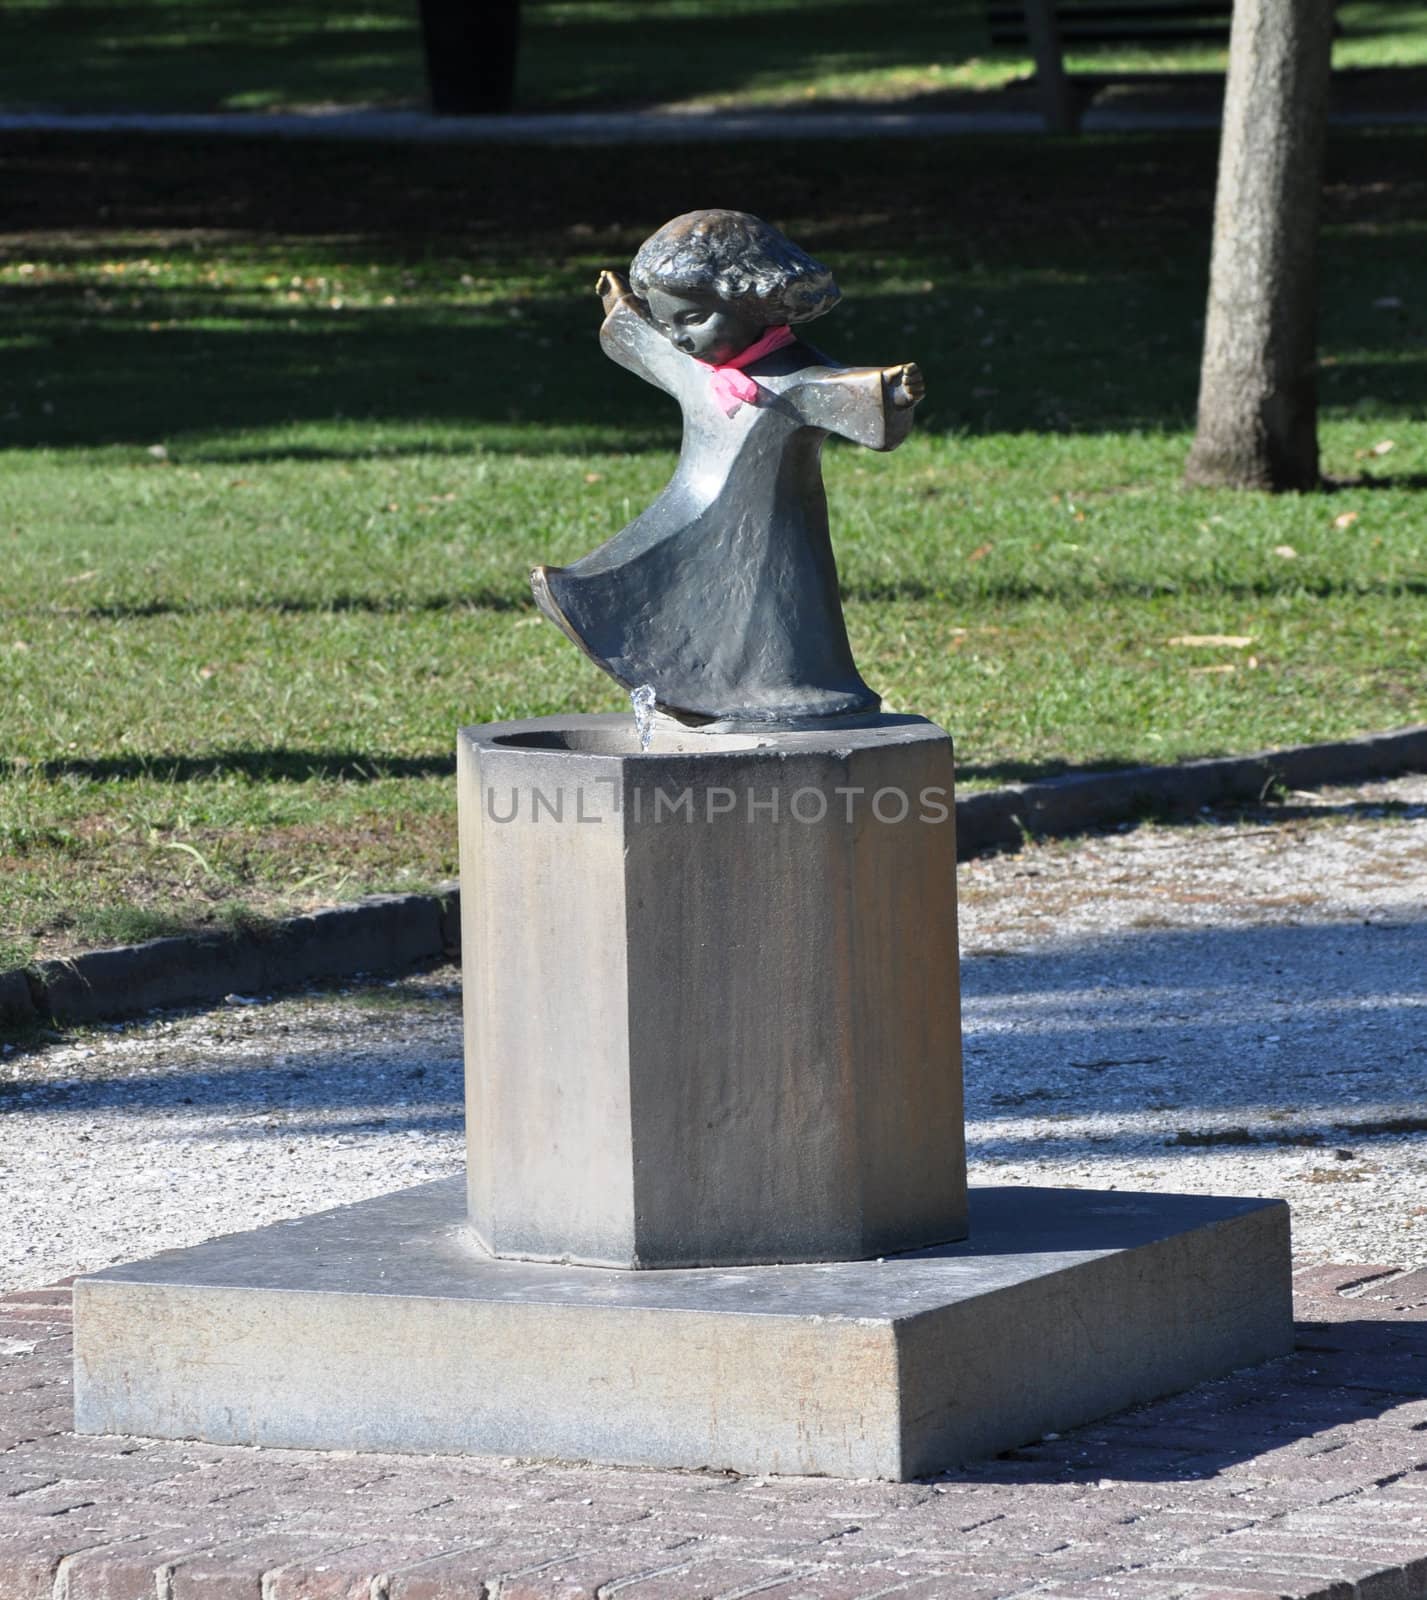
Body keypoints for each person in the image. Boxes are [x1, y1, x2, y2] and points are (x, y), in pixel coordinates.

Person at [531, 209, 925, 726]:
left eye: (693, 319)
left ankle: (796, 692)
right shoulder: (694, 364)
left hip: (770, 531)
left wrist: (893, 395)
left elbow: (851, 399)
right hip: (686, 507)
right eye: (667, 320)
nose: (679, 339)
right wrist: (621, 307)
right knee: (654, 589)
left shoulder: (794, 380)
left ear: (754, 300)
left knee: (773, 617)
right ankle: (689, 685)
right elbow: (647, 345)